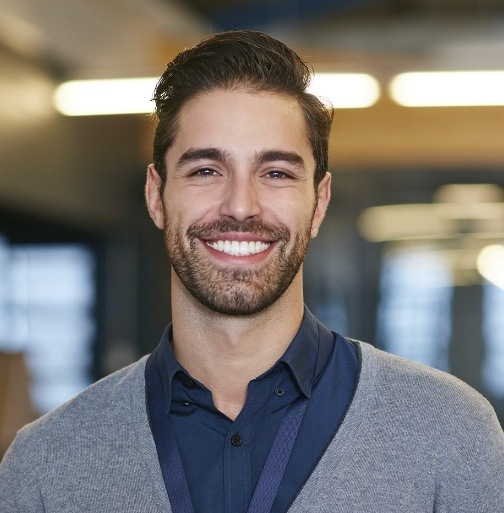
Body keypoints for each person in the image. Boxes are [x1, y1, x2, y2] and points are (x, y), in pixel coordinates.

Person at [1, 30, 503, 513]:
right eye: (205, 170)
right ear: (157, 196)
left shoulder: (449, 433)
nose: (241, 205)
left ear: (319, 202)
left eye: (277, 173)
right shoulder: (45, 463)